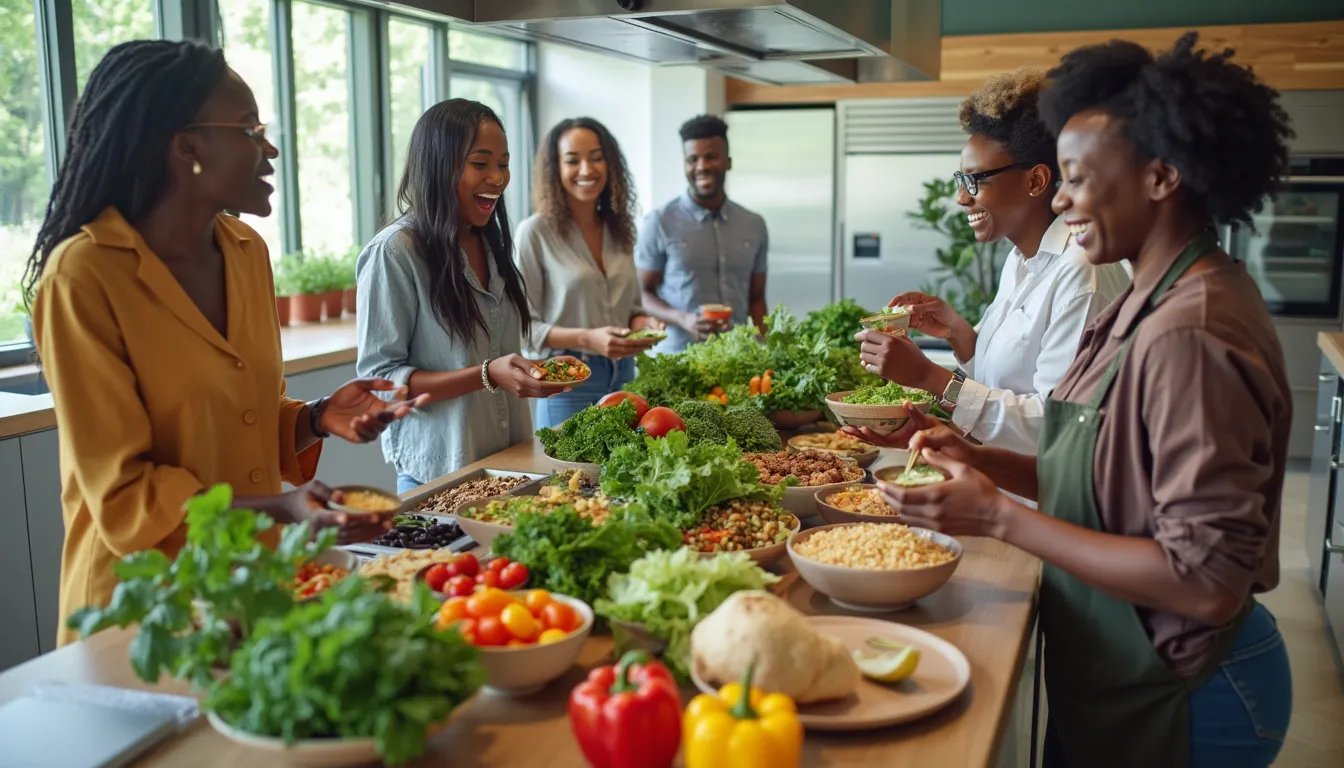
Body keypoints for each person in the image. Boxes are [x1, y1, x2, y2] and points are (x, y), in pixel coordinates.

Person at [879, 33, 1294, 768]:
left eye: (1075, 177)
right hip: (1130, 670)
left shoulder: (1191, 328)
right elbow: (1109, 477)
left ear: (1161, 176)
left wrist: (998, 515)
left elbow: (1203, 580)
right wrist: (987, 465)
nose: (1062, 198)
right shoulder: (1147, 293)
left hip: (1189, 689)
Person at [25, 40, 422, 646]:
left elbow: (236, 423)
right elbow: (124, 496)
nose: (270, 149)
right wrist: (284, 510)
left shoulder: (244, 252)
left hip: (247, 586)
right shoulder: (83, 276)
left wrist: (315, 418)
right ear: (188, 147)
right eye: (250, 130)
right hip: (145, 615)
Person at [847, 68, 1129, 454]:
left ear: (1036, 181)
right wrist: (961, 335)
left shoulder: (1082, 274)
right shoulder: (1019, 259)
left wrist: (929, 376)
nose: (962, 198)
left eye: (975, 180)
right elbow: (1006, 384)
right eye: (960, 181)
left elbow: (1055, 424)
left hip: (1042, 504)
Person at [356, 99, 571, 493]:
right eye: (480, 163)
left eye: (503, 164)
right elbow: (380, 380)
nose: (497, 178)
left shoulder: (490, 242)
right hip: (441, 475)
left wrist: (537, 369)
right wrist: (487, 375)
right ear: (439, 165)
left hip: (511, 465)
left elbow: (494, 350)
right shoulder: (396, 251)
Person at [517, 117, 664, 428]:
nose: (587, 170)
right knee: (571, 476)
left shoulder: (620, 229)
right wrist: (588, 339)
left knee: (620, 474)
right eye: (573, 160)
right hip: (569, 381)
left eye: (596, 158)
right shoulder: (534, 233)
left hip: (625, 377)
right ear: (555, 169)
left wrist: (645, 324)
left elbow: (633, 309)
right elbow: (525, 328)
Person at [636, 114, 767, 353]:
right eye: (692, 159)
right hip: (677, 358)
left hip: (736, 358)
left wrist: (767, 349)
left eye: (711, 157)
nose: (701, 166)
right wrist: (683, 318)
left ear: (728, 162)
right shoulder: (659, 221)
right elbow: (642, 294)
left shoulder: (754, 224)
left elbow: (756, 298)